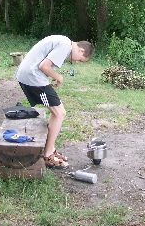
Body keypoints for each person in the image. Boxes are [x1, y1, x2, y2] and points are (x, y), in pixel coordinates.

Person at [16, 35, 94, 169]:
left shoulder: (64, 41)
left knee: (58, 113)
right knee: (59, 113)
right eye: (80, 60)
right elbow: (44, 66)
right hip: (32, 77)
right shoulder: (65, 45)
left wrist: (54, 77)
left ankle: (50, 149)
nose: (77, 62)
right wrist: (59, 77)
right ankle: (48, 155)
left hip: (31, 75)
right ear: (81, 51)